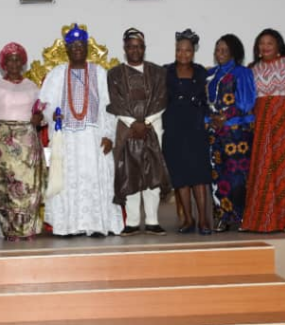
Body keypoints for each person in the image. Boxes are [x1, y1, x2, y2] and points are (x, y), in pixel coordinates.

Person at [38, 24, 123, 237]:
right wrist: (52, 114)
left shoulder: (100, 73)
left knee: (94, 179)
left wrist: (109, 135)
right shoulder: (57, 74)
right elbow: (44, 105)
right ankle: (68, 226)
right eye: (73, 45)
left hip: (94, 137)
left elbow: (109, 106)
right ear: (67, 49)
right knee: (68, 181)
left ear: (86, 48)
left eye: (81, 45)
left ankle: (96, 224)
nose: (77, 48)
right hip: (67, 138)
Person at [241, 29, 285, 233]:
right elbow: (248, 101)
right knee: (264, 174)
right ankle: (262, 220)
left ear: (278, 45)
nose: (265, 47)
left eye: (269, 43)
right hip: (263, 132)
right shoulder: (252, 69)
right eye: (261, 43)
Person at [107, 27, 169, 235]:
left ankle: (152, 220)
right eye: (131, 46)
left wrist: (147, 122)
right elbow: (116, 101)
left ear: (144, 48)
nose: (135, 50)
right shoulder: (114, 74)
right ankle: (132, 222)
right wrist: (134, 123)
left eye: (139, 46)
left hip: (153, 127)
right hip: (127, 130)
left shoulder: (158, 72)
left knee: (152, 174)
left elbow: (161, 99)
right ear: (125, 48)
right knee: (130, 174)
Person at [0, 42, 45, 241]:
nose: (14, 63)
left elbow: (41, 113)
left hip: (28, 141)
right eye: (10, 59)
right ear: (4, 64)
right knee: (8, 186)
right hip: (5, 142)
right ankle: (12, 230)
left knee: (30, 186)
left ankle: (28, 229)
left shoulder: (31, 86)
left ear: (23, 62)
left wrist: (40, 119)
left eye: (18, 59)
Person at [162, 29, 213, 235]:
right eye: (179, 50)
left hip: (196, 127)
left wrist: (210, 119)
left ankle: (203, 220)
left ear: (194, 51)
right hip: (173, 127)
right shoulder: (166, 71)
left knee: (199, 176)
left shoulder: (202, 72)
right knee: (181, 176)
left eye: (187, 50)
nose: (183, 54)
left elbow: (208, 100)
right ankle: (188, 219)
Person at [207, 34, 256, 233]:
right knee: (219, 176)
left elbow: (247, 102)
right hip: (216, 134)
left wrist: (225, 116)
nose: (220, 53)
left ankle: (244, 216)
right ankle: (224, 217)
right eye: (218, 49)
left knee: (238, 178)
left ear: (234, 52)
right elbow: (206, 102)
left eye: (225, 50)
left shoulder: (242, 73)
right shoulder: (211, 75)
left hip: (237, 134)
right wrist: (208, 120)